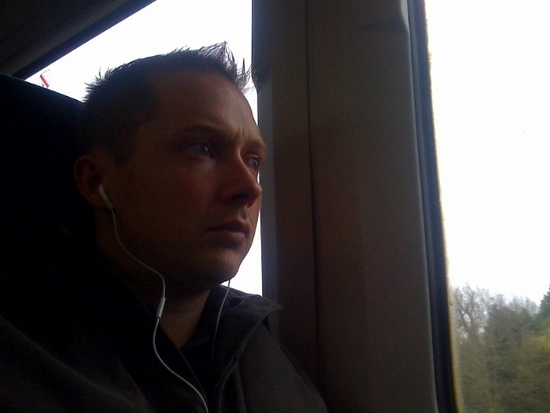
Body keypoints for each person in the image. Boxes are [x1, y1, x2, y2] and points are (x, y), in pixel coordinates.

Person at [0, 44, 327, 412]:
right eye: (202, 149)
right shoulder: (20, 358)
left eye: (253, 161)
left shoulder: (264, 350)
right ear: (96, 181)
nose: (249, 188)